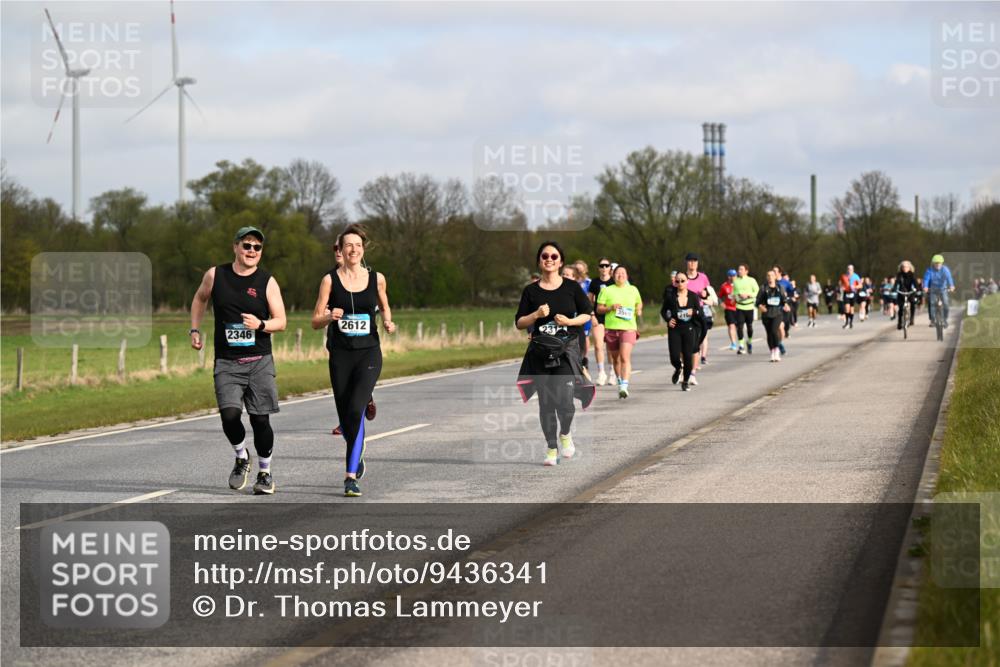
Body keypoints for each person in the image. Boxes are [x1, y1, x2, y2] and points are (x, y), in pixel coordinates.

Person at [190, 226, 287, 495]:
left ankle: (265, 473)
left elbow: (281, 321)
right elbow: (199, 299)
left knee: (260, 421)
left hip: (259, 361)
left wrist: (261, 324)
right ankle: (242, 456)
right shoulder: (215, 275)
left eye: (257, 247)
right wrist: (195, 329)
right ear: (235, 247)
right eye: (247, 246)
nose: (252, 251)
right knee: (230, 416)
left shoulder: (267, 281)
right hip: (227, 361)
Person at [311, 225, 396, 497]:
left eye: (358, 245)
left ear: (363, 248)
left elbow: (383, 304)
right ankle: (356, 452)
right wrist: (329, 316)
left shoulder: (376, 278)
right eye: (348, 245)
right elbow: (314, 320)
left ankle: (350, 478)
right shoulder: (329, 280)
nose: (353, 249)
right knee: (346, 416)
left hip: (369, 352)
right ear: (341, 249)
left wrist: (387, 321)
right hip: (340, 354)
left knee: (356, 409)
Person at [515, 241, 595, 466]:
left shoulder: (571, 287)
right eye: (544, 256)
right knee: (546, 404)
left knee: (565, 402)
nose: (549, 260)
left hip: (566, 350)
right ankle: (551, 448)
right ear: (539, 261)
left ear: (560, 261)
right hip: (541, 353)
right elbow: (519, 322)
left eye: (553, 256)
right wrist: (536, 315)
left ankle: (565, 434)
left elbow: (587, 315)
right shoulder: (531, 291)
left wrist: (569, 321)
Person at [329, 242, 377, 437]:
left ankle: (364, 400)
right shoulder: (330, 278)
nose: (339, 252)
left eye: (343, 248)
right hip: (338, 341)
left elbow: (375, 303)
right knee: (343, 384)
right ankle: (346, 420)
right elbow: (321, 309)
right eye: (336, 249)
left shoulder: (365, 275)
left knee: (357, 384)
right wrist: (327, 314)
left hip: (364, 345)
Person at [596, 265, 643, 398]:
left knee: (624, 357)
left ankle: (624, 385)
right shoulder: (606, 290)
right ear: (613, 275)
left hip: (628, 328)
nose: (620, 275)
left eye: (623, 273)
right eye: (617, 273)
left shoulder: (633, 289)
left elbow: (639, 303)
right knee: (616, 360)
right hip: (611, 329)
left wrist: (638, 309)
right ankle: (620, 381)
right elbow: (599, 309)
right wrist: (610, 308)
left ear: (627, 276)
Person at [661, 271, 704, 391]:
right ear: (675, 282)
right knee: (674, 356)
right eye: (677, 281)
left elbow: (700, 313)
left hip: (689, 329)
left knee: (687, 355)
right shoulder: (671, 296)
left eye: (682, 280)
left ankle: (685, 381)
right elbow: (663, 311)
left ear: (687, 282)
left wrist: (693, 312)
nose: (680, 283)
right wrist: (668, 320)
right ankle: (678, 368)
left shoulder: (693, 296)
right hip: (675, 329)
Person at [683, 252, 714, 382]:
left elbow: (708, 294)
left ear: (697, 263)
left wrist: (704, 295)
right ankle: (684, 368)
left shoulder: (703, 277)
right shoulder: (682, 277)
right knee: (684, 345)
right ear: (686, 263)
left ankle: (692, 374)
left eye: (694, 261)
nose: (692, 263)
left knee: (695, 343)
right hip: (684, 313)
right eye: (690, 261)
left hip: (698, 313)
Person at [587, 257, 616, 386]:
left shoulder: (614, 282)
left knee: (610, 347)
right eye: (601, 266)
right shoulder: (594, 282)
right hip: (598, 316)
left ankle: (612, 373)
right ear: (598, 268)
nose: (604, 268)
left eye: (606, 265)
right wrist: (591, 314)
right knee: (598, 345)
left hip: (611, 317)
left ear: (610, 268)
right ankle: (601, 373)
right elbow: (589, 301)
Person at [756, 270, 790, 362]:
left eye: (772, 275)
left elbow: (784, 300)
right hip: (766, 314)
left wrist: (786, 305)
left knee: (774, 331)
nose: (770, 277)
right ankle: (772, 352)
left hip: (777, 313)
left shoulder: (780, 287)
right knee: (769, 334)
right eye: (768, 275)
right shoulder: (763, 288)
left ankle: (777, 350)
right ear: (767, 277)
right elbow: (757, 302)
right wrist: (760, 307)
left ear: (775, 277)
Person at [732, 264, 759, 355]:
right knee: (739, 326)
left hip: (749, 306)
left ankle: (749, 342)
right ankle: (741, 346)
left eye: (741, 269)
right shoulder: (735, 281)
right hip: (739, 306)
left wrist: (748, 295)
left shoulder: (752, 280)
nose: (739, 271)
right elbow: (734, 293)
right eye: (738, 269)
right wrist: (737, 296)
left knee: (749, 327)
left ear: (746, 271)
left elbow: (757, 292)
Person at [923, 254, 956, 328]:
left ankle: (945, 319)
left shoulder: (945, 269)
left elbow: (949, 278)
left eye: (939, 263)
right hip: (933, 289)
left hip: (943, 289)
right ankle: (933, 320)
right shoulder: (929, 270)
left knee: (946, 303)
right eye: (936, 263)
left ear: (942, 263)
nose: (938, 265)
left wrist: (951, 286)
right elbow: (926, 279)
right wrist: (925, 286)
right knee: (932, 304)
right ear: (933, 263)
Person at [573, 260, 593, 375]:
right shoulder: (571, 282)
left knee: (584, 336)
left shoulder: (588, 282)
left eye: (581, 269)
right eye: (577, 268)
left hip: (584, 314)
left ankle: (584, 358)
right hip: (573, 314)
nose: (579, 271)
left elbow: (591, 299)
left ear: (585, 269)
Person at [718, 269, 740, 349]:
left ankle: (740, 341)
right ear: (728, 276)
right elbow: (719, 296)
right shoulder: (724, 286)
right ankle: (733, 343)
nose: (732, 277)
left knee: (738, 327)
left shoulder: (740, 284)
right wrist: (721, 303)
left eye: (734, 275)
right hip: (729, 308)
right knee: (731, 326)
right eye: (730, 276)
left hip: (739, 308)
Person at [895, 261, 919, 330]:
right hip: (901, 292)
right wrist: (894, 288)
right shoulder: (899, 275)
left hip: (910, 292)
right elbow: (896, 283)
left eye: (906, 267)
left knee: (912, 303)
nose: (905, 268)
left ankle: (911, 318)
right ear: (901, 268)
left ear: (909, 268)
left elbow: (915, 283)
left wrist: (917, 288)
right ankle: (899, 322)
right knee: (901, 308)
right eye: (903, 267)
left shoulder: (912, 275)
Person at [839, 264, 862, 329]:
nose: (849, 270)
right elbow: (841, 284)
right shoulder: (844, 276)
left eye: (851, 269)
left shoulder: (856, 276)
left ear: (853, 270)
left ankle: (851, 322)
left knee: (851, 309)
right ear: (847, 269)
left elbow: (860, 285)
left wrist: (855, 287)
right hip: (846, 293)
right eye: (848, 269)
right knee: (847, 308)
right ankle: (846, 322)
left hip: (853, 293)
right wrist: (842, 287)